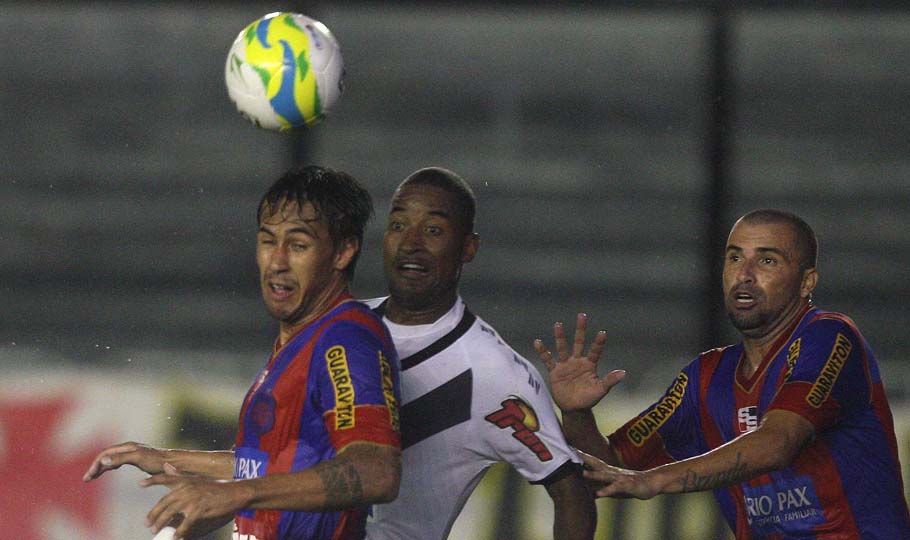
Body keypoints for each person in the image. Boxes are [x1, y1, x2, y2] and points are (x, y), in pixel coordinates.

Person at [535, 208, 910, 539]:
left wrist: (652, 480)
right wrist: (576, 412)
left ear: (807, 281)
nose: (744, 274)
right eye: (734, 258)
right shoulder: (706, 377)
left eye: (767, 261)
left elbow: (778, 442)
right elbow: (610, 470)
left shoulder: (829, 336)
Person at [83, 166, 402, 540]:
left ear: (342, 252)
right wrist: (168, 460)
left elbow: (375, 470)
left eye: (298, 245)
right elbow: (270, 467)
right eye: (268, 241)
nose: (277, 262)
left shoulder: (345, 340)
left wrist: (235, 494)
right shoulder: (302, 340)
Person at [362, 167, 596, 540]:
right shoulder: (341, 326)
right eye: (398, 225)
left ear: (468, 248)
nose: (410, 243)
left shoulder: (492, 373)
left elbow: (572, 492)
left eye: (433, 230)